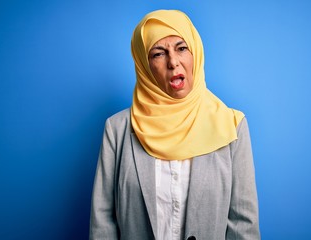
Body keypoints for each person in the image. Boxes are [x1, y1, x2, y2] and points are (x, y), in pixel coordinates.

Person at [89, 9, 260, 240]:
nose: (173, 62)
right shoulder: (117, 129)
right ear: (144, 66)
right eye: (158, 54)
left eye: (181, 48)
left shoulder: (232, 126)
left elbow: (243, 224)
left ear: (195, 53)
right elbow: (103, 221)